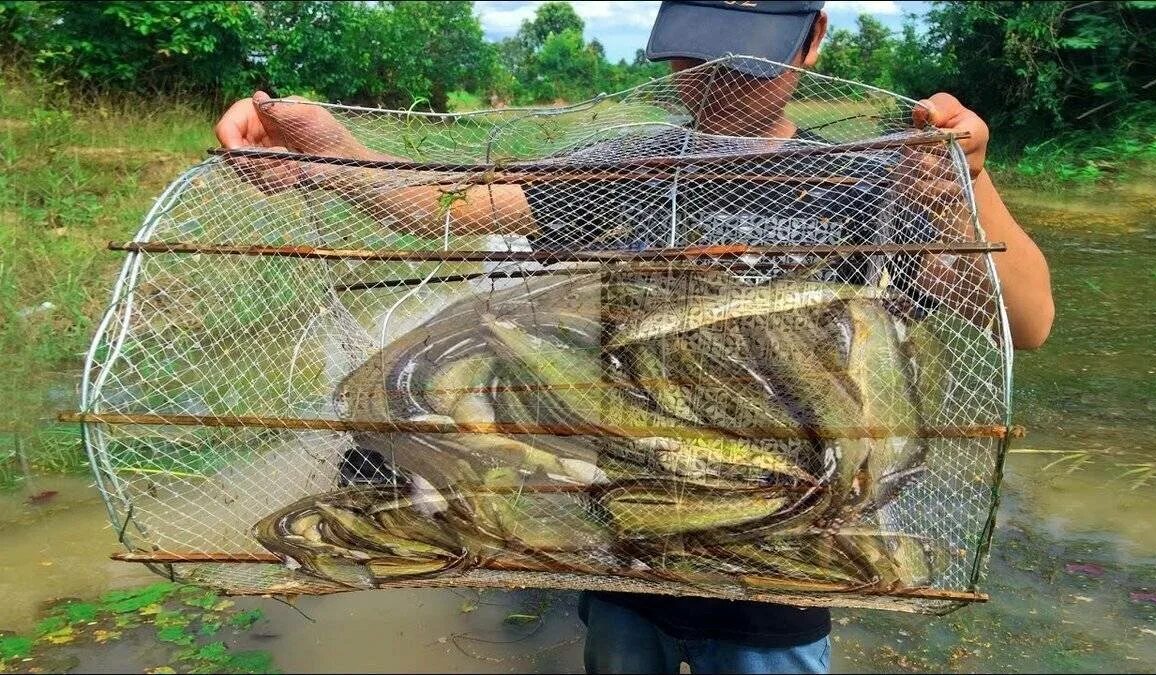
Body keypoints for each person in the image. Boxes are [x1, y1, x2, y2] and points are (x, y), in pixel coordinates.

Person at [214, 2, 1054, 672]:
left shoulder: (871, 181)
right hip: (619, 550)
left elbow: (1027, 321)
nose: (718, 77)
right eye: (697, 52)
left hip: (784, 561)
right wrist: (323, 152)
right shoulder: (623, 169)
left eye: (749, 56)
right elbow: (442, 207)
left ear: (812, 40)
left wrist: (962, 183)